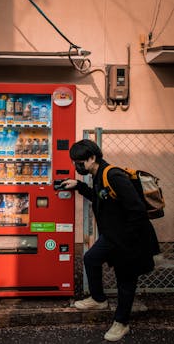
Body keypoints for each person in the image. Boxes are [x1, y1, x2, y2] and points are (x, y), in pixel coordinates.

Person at [61, 139, 160, 342]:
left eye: (79, 162)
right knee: (91, 259)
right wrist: (79, 185)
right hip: (113, 236)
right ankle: (98, 299)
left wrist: (127, 242)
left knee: (125, 279)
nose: (76, 166)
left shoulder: (113, 175)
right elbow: (100, 198)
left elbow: (137, 210)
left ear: (92, 158)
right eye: (73, 162)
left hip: (130, 238)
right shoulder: (98, 175)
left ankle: (121, 323)